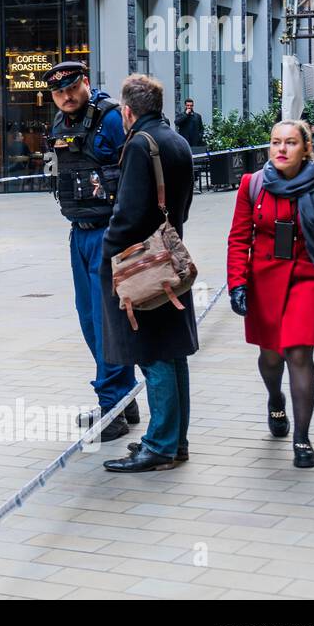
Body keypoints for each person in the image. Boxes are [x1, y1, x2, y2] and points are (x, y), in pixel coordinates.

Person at [225, 119, 314, 468]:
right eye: (275, 142)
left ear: (306, 148)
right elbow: (239, 238)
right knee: (271, 358)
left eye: (290, 143)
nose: (281, 149)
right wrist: (237, 283)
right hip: (264, 281)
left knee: (299, 354)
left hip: (309, 277)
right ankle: (274, 397)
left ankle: (302, 439)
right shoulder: (252, 185)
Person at [101, 74, 198, 473]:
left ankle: (159, 446)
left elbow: (128, 212)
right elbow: (184, 205)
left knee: (153, 353)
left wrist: (109, 252)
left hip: (144, 266)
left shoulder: (140, 145)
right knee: (173, 353)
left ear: (127, 110)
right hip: (170, 258)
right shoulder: (176, 141)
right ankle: (175, 442)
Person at [40, 61, 139, 441]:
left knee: (106, 320)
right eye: (57, 92)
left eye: (70, 88)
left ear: (85, 82)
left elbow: (134, 174)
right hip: (78, 234)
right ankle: (123, 397)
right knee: (89, 319)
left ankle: (111, 406)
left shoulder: (111, 118)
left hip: (108, 234)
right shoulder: (60, 124)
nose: (65, 97)